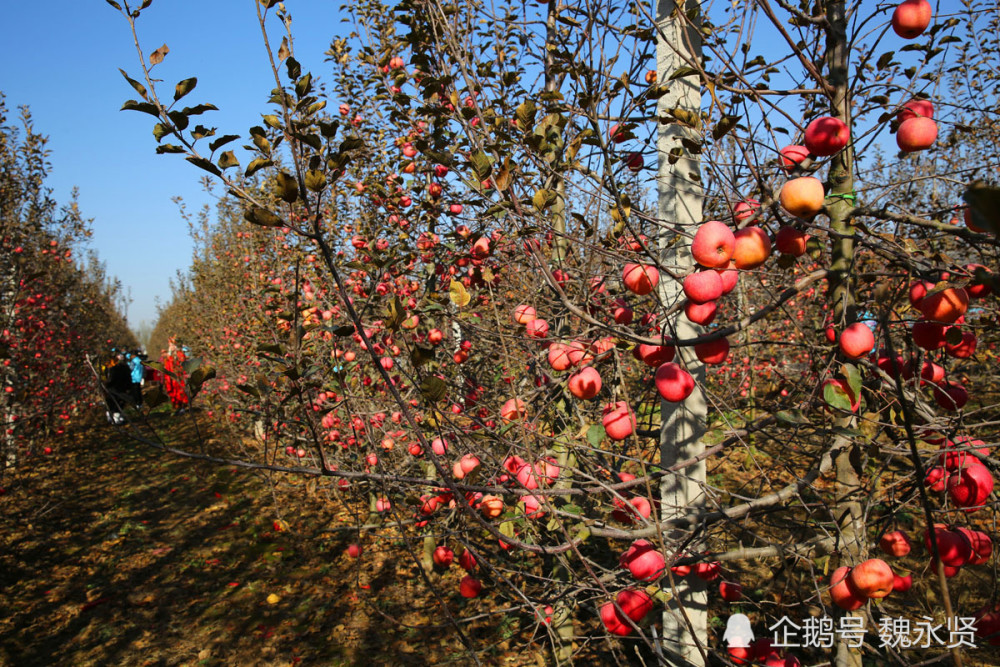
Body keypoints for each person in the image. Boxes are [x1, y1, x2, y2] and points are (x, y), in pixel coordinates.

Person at [161, 338, 189, 414]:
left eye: (172, 345)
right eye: (170, 345)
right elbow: (167, 365)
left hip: (179, 377)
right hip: (172, 378)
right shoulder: (169, 355)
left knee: (181, 391)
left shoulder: (179, 354)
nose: (171, 347)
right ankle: (177, 407)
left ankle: (183, 407)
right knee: (174, 392)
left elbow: (182, 364)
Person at [106, 353, 133, 424]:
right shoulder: (113, 368)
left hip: (116, 388)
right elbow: (128, 378)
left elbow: (111, 379)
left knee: (116, 403)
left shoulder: (113, 368)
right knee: (117, 403)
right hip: (117, 389)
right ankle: (115, 418)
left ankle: (115, 418)